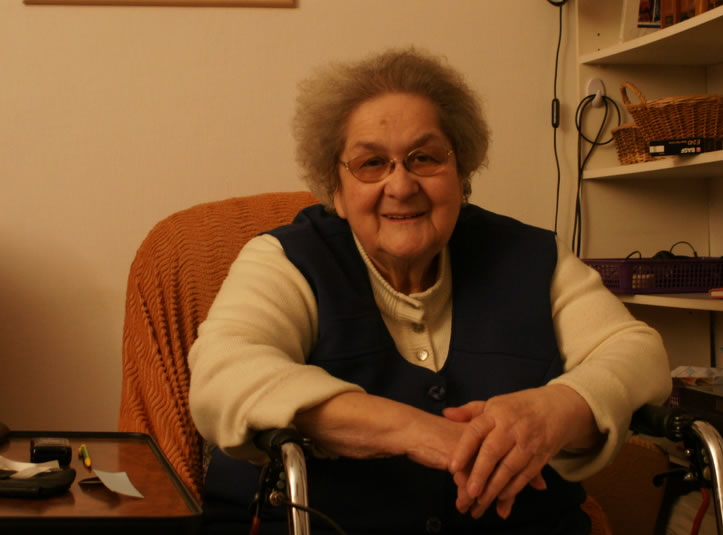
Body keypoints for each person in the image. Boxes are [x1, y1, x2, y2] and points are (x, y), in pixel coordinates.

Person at [188, 47, 671, 535]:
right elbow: (224, 372)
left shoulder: (532, 256)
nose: (401, 185)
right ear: (335, 188)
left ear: (462, 174)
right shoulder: (286, 259)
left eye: (425, 158)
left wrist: (555, 411)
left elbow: (636, 351)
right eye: (371, 163)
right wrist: (418, 432)